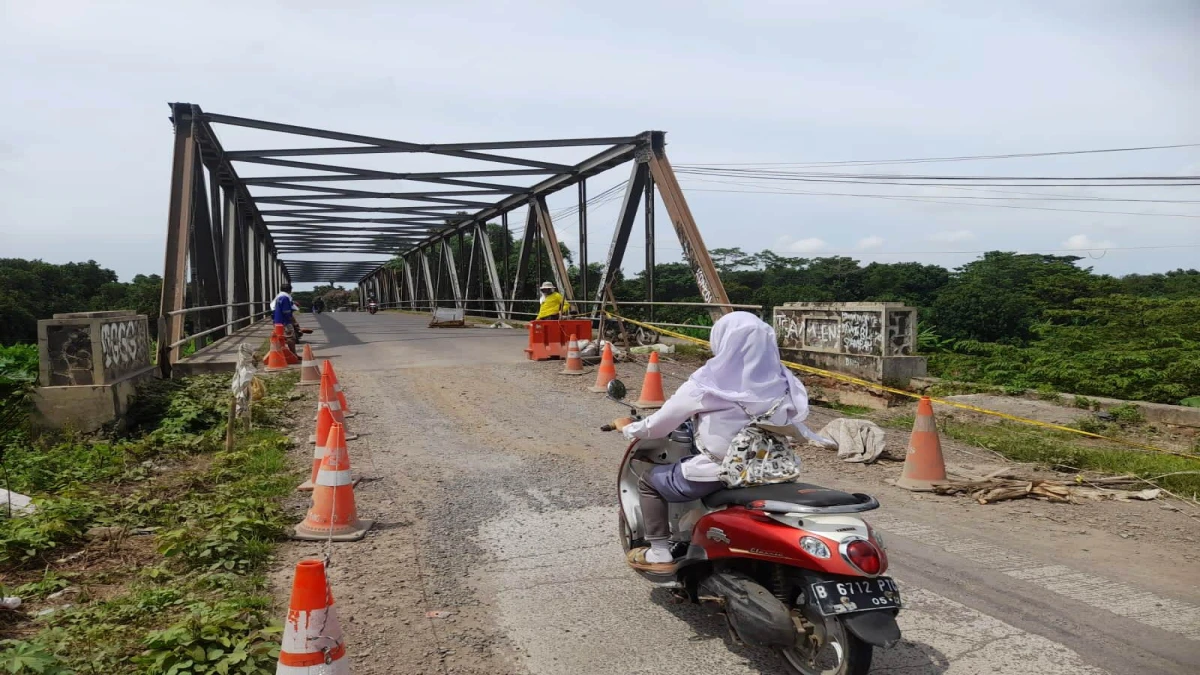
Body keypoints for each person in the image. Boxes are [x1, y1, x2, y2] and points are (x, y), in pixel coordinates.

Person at [612, 311, 831, 573]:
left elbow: (661, 424)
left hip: (718, 472)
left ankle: (659, 551)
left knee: (650, 482)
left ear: (723, 340)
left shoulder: (709, 382)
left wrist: (629, 428)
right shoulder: (784, 381)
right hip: (771, 472)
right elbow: (796, 419)